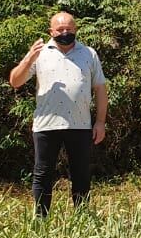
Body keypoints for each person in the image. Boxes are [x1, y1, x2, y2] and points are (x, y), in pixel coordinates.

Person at [8, 12, 108, 218]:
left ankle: (82, 218)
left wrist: (100, 122)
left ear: (76, 30)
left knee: (81, 174)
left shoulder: (89, 54)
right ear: (51, 31)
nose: (65, 33)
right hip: (46, 125)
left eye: (69, 29)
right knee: (43, 174)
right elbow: (15, 81)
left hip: (80, 124)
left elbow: (100, 89)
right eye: (60, 30)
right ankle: (40, 219)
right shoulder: (40, 53)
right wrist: (28, 58)